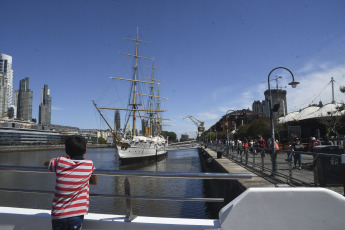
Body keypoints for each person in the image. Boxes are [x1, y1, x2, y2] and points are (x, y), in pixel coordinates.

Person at [44, 135, 97, 230]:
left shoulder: (60, 161)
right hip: (76, 215)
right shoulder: (89, 164)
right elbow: (94, 182)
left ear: (66, 150)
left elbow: (46, 163)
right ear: (85, 150)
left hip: (58, 214)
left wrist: (61, 158)